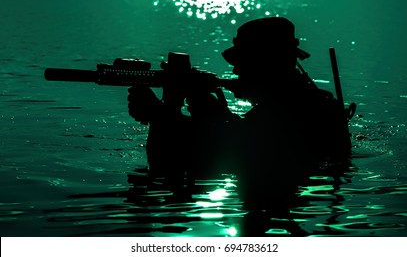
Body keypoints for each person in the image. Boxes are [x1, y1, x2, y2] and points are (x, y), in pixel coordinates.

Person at [127, 17, 354, 204]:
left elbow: (187, 157)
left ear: (265, 65)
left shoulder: (288, 111)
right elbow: (227, 136)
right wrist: (181, 104)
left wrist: (162, 116)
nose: (235, 70)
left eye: (243, 63)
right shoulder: (302, 102)